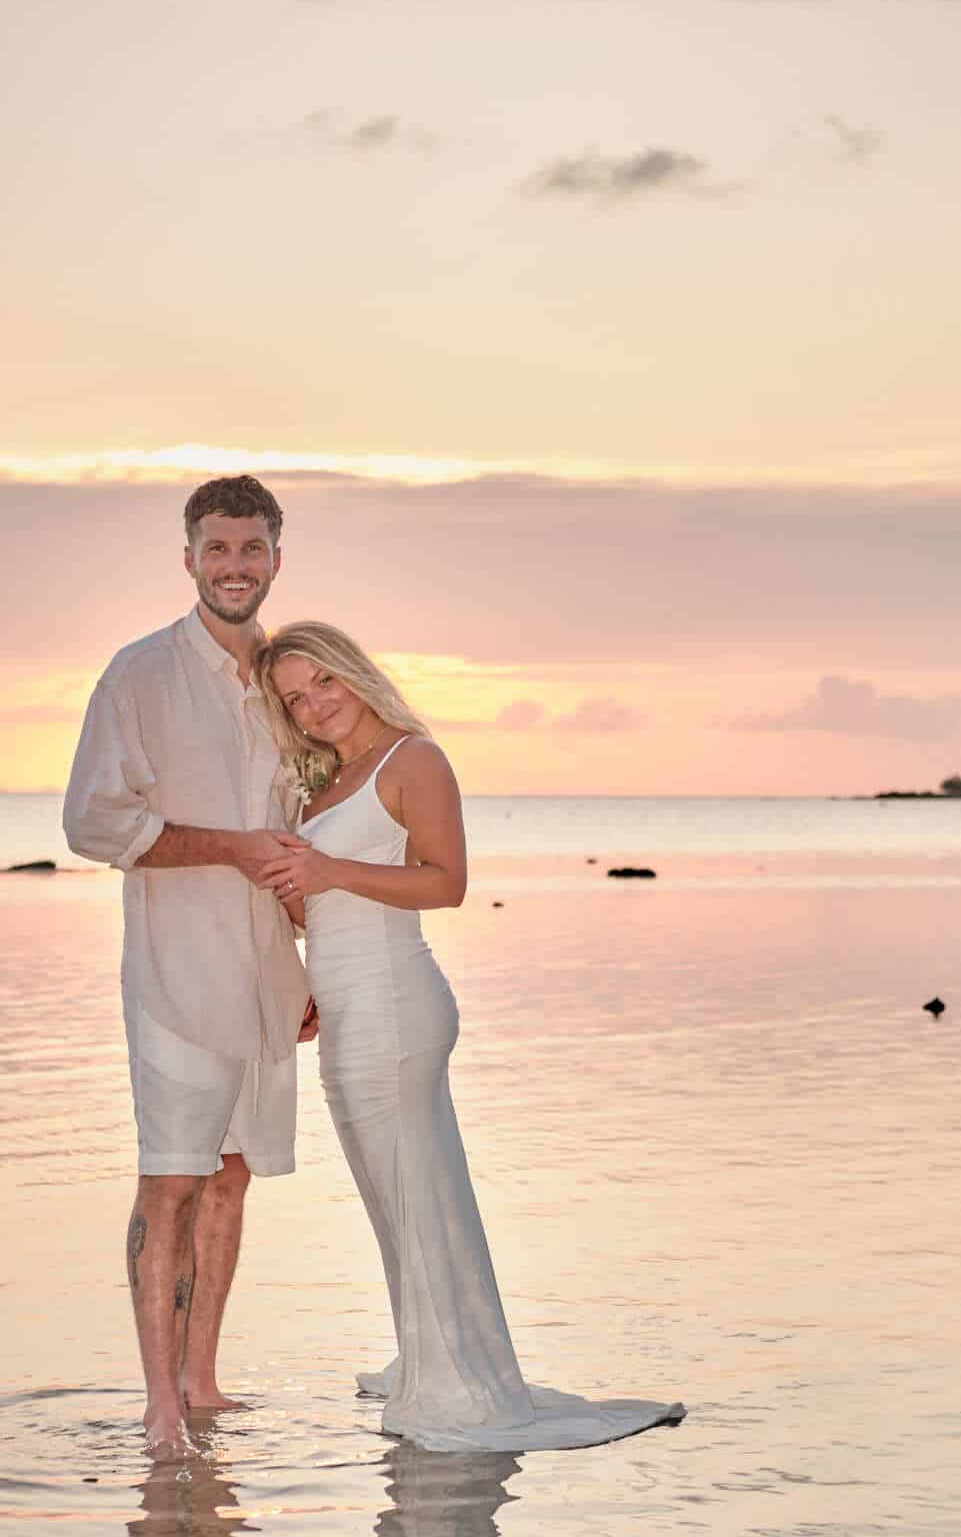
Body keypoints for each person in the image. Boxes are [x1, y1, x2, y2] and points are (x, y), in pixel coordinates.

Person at [255, 619, 685, 1453]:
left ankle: (455, 1378)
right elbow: (320, 909)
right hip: (346, 1005)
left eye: (324, 685)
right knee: (394, 1196)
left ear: (355, 675)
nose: (313, 707)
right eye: (294, 699)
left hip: (395, 1004)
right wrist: (294, 959)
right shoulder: (324, 783)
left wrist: (326, 870)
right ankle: (433, 1352)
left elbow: (446, 883)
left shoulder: (413, 760)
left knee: (414, 1189)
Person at [63, 475, 313, 1457]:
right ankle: (160, 1407)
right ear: (189, 558)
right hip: (176, 975)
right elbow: (93, 822)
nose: (235, 567)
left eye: (252, 550)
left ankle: (204, 1383)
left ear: (277, 560)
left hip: (269, 978)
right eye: (218, 549)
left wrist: (315, 965)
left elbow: (305, 837)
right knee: (171, 1180)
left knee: (235, 1174)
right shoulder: (140, 676)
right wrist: (230, 847)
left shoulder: (294, 681)